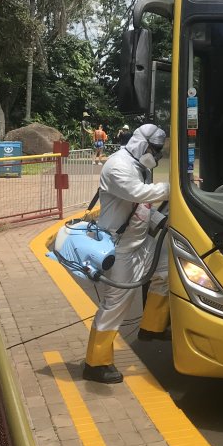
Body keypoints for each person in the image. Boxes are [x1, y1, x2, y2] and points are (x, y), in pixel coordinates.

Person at [83, 124, 171, 384]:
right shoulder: (118, 165)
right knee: (115, 304)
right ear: (141, 144)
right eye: (155, 150)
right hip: (118, 247)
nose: (157, 156)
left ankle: (151, 328)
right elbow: (137, 194)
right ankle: (96, 363)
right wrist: (175, 187)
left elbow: (140, 207)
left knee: (165, 271)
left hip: (139, 242)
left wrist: (160, 222)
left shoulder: (138, 167)